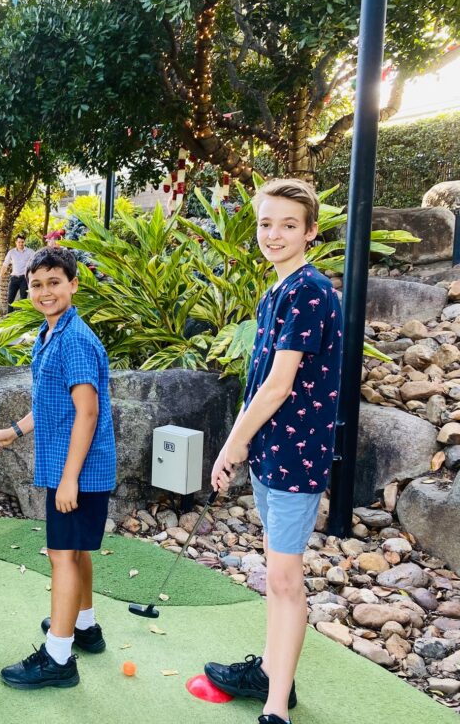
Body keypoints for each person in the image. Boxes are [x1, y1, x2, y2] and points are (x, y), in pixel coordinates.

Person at [205, 179, 343, 724]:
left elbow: (279, 385)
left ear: (310, 231)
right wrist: (243, 445)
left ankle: (275, 706)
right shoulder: (278, 290)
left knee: (284, 580)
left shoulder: (310, 290)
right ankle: (270, 671)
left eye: (289, 224)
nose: (275, 234)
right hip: (272, 452)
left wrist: (230, 445)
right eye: (266, 223)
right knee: (276, 571)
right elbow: (263, 379)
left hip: (294, 456)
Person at [0, 247, 115, 689]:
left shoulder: (75, 340)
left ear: (73, 285)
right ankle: (84, 627)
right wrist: (14, 432)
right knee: (74, 551)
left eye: (54, 282)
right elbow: (51, 404)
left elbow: (87, 412)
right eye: (37, 284)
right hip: (74, 468)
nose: (44, 292)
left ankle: (58, 658)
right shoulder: (51, 334)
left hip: (78, 470)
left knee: (62, 556)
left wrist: (69, 477)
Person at [1, 234, 35, 312]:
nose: (21, 244)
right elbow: (5, 265)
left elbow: (36, 260)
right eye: (19, 242)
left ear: (24, 242)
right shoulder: (11, 252)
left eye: (22, 242)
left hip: (24, 278)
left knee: (23, 299)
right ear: (16, 242)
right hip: (14, 278)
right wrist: (0, 278)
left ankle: (22, 319)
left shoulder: (30, 252)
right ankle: (9, 317)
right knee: (10, 298)